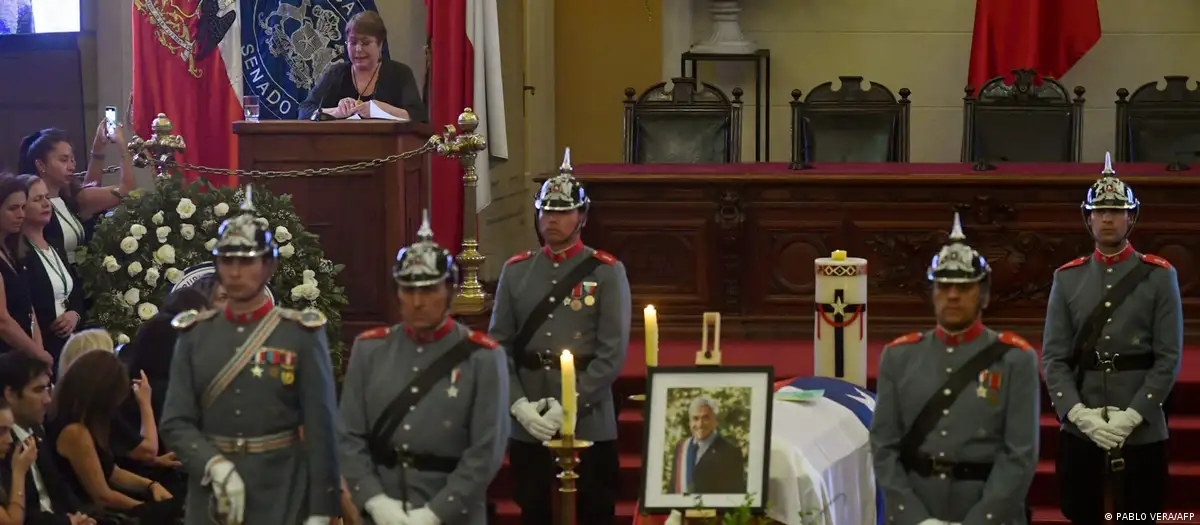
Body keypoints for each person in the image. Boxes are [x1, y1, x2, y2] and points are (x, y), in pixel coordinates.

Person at [160, 186, 342, 525]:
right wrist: (214, 464)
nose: (236, 271)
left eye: (246, 261)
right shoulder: (194, 334)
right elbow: (175, 421)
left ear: (269, 265)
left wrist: (322, 510)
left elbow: (321, 429)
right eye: (227, 260)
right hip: (212, 493)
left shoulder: (299, 335)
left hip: (282, 491)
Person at [488, 148, 631, 525]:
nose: (551, 220)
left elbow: (612, 353)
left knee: (593, 509)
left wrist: (569, 405)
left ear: (582, 217)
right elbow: (498, 344)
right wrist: (518, 405)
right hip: (530, 415)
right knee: (534, 508)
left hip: (589, 416)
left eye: (562, 212)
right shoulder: (516, 271)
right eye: (545, 212)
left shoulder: (606, 273)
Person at [870, 212, 1040, 525]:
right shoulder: (899, 357)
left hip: (989, 512)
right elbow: (883, 448)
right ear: (932, 293)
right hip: (918, 510)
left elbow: (1020, 455)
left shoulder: (1016, 359)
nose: (952, 295)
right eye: (944, 286)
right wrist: (917, 519)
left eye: (964, 287)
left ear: (984, 295)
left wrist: (981, 520)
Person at [339, 212, 508, 525]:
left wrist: (434, 514)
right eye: (409, 290)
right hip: (383, 512)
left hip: (453, 513)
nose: (417, 301)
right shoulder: (370, 350)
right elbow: (349, 436)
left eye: (429, 290)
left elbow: (486, 452)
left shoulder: (483, 358)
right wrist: (374, 501)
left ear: (450, 292)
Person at [1042, 156, 1181, 524]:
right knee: (1080, 512)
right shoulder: (1066, 278)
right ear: (1087, 218)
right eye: (1100, 211)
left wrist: (1135, 414)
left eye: (1116, 211)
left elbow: (1169, 357)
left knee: (1139, 515)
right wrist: (1078, 414)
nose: (1107, 219)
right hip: (1082, 420)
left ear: (1131, 218)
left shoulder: (1159, 276)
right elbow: (1053, 358)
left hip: (1142, 421)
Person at [46, 351, 180, 521]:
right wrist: (150, 509)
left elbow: (112, 471)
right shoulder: (75, 432)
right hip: (90, 515)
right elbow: (103, 496)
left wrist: (151, 486)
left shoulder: (83, 423)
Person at [0, 352, 96, 524]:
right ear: (11, 395)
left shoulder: (35, 431)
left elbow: (58, 486)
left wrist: (83, 517)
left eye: (47, 388)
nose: (48, 400)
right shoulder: (3, 443)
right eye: (38, 390)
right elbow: (24, 515)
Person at [17, 127, 135, 266]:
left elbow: (91, 188)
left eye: (72, 160)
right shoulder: (33, 206)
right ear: (41, 164)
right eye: (64, 160)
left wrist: (99, 147)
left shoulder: (69, 199)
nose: (71, 166)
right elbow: (125, 190)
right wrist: (122, 145)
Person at [298, 11, 427, 122]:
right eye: (353, 43)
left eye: (365, 43)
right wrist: (336, 112)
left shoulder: (400, 73)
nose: (358, 49)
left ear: (380, 44)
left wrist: (379, 109)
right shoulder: (336, 73)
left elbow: (418, 116)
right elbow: (304, 111)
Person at [17, 175, 84, 363]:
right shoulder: (20, 254)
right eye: (37, 199)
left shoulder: (55, 245)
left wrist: (75, 314)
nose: (46, 204)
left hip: (71, 341)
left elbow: (75, 291)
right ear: (21, 207)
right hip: (45, 344)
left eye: (46, 197)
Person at [0, 175, 49, 364]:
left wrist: (38, 349)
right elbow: (3, 321)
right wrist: (37, 354)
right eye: (13, 209)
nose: (21, 214)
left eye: (23, 207)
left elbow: (29, 309)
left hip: (24, 354)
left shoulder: (14, 252)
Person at [666, 397, 746, 494]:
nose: (700, 424)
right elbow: (672, 489)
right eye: (695, 418)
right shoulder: (681, 448)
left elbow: (735, 493)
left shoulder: (730, 452)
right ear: (690, 422)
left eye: (705, 418)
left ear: (715, 421)